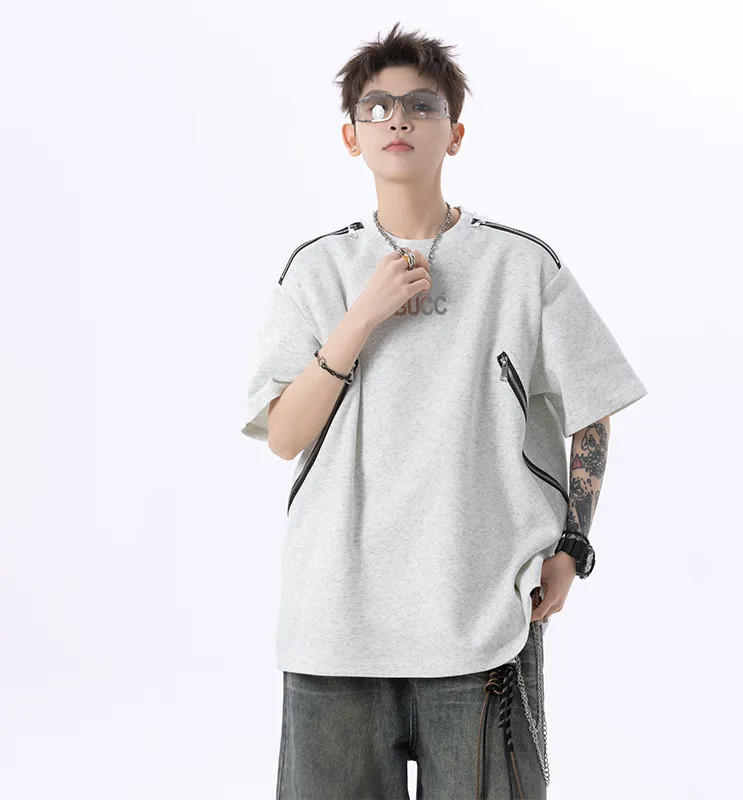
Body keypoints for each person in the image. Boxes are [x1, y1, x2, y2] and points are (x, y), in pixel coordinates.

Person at [241, 21, 648, 800]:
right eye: (377, 106)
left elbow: (593, 407)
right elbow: (285, 435)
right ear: (351, 136)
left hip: (483, 626)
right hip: (335, 628)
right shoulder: (318, 270)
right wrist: (362, 317)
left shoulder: (520, 265)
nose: (397, 119)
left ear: (454, 134)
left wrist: (573, 546)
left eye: (421, 105)